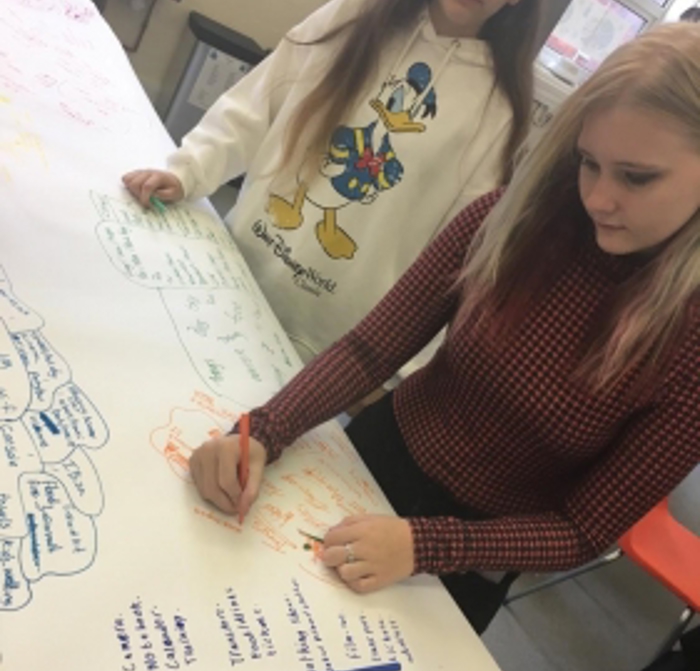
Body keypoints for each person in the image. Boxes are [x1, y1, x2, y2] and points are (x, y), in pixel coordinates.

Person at [188, 21, 700, 634]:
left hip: (473, 556)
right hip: (373, 457)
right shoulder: (519, 217)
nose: (598, 198)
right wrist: (262, 430)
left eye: (636, 177)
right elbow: (371, 348)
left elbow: (583, 528)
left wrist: (426, 547)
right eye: (589, 163)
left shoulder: (689, 341)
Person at [123, 0, 541, 389]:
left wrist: (401, 370)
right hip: (229, 272)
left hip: (325, 353)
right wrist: (189, 171)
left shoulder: (499, 109)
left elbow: (455, 258)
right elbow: (257, 104)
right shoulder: (351, 16)